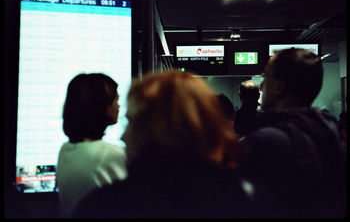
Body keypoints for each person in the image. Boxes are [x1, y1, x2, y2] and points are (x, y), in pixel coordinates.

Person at [73, 70, 281, 218]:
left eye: (131, 123)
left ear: (158, 130)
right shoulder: (251, 200)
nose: (123, 136)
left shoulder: (105, 206)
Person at [239, 48, 346, 218]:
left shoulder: (263, 143)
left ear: (279, 87)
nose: (262, 85)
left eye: (266, 77)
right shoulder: (331, 133)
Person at [56, 73, 128, 217]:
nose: (119, 106)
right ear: (103, 105)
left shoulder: (65, 150)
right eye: (116, 100)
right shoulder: (109, 155)